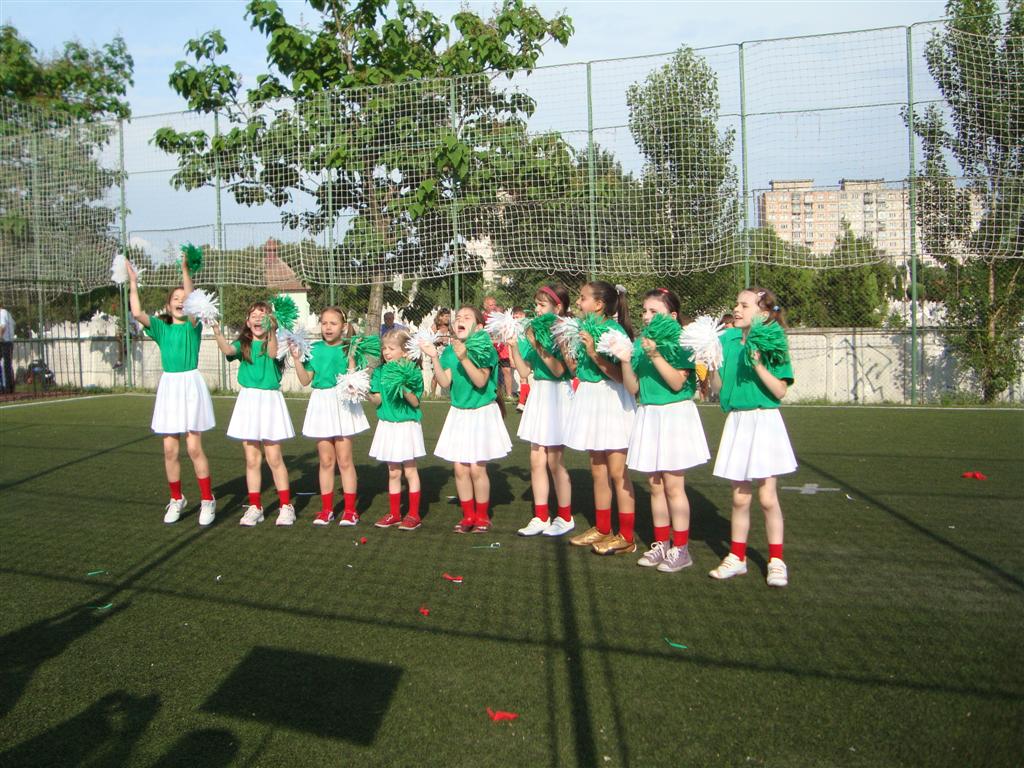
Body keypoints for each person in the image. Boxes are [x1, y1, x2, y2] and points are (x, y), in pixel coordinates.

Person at [708, 287, 797, 588]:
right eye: (736, 304)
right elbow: (718, 388)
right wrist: (710, 366)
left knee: (767, 498)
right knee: (739, 497)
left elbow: (780, 390)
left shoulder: (773, 340)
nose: (737, 309)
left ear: (762, 312)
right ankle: (737, 557)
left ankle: (776, 561)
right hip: (738, 421)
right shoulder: (727, 340)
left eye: (744, 305)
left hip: (764, 420)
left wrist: (757, 364)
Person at [620, 288, 710, 572]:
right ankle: (661, 544)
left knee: (673, 484)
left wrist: (655, 354)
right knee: (655, 484)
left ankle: (681, 549)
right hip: (649, 413)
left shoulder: (682, 341)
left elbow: (676, 383)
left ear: (672, 315)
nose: (646, 316)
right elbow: (633, 388)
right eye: (644, 311)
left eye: (654, 311)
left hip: (674, 415)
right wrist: (625, 359)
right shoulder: (640, 343)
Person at [126, 260, 216, 525]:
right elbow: (137, 312)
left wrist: (185, 271)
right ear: (168, 306)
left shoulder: (192, 325)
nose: (180, 301)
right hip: (169, 388)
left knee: (194, 447)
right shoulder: (161, 328)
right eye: (175, 299)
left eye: (183, 298)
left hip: (191, 386)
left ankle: (207, 500)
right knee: (169, 450)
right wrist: (133, 282)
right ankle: (177, 499)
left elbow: (191, 301)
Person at [562, 281, 638, 555]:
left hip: (611, 400)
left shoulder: (614, 332)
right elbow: (577, 371)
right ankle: (603, 528)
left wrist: (594, 352)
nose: (577, 302)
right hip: (590, 397)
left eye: (582, 298)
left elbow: (620, 377)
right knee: (598, 470)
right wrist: (567, 350)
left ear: (599, 304)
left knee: (618, 472)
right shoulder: (582, 329)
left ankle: (626, 536)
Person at [421, 305, 511, 533]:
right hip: (459, 413)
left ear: (479, 327)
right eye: (458, 317)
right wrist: (435, 358)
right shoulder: (450, 351)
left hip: (482, 412)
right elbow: (444, 382)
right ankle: (468, 515)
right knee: (460, 469)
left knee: (477, 468)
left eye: (467, 317)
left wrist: (464, 358)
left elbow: (480, 381)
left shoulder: (484, 349)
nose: (460, 320)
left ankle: (482, 516)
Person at [212, 302, 296, 527]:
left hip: (270, 401)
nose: (258, 318)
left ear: (271, 320)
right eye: (254, 315)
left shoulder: (276, 342)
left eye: (263, 315)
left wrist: (273, 331)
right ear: (247, 322)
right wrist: (217, 332)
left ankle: (286, 506)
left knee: (274, 457)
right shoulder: (243, 344)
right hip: (248, 401)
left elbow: (272, 353)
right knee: (251, 459)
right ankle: (255, 507)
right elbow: (228, 351)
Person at [508, 285, 574, 537]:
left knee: (555, 461)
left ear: (558, 308)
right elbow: (525, 371)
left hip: (558, 394)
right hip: (539, 394)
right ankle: (541, 516)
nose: (536, 309)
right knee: (536, 460)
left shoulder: (564, 332)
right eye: (536, 304)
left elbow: (559, 370)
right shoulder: (533, 331)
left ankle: (565, 517)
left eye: (542, 305)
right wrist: (514, 346)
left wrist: (537, 344)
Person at [293, 307, 368, 526]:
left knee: (344, 459)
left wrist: (352, 360)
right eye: (324, 323)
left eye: (333, 323)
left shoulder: (349, 348)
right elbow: (305, 380)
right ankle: (327, 510)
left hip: (342, 401)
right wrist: (297, 359)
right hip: (321, 403)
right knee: (326, 461)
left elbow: (355, 380)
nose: (327, 327)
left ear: (343, 327)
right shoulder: (314, 349)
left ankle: (350, 511)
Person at [368, 329, 425, 531]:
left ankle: (414, 514)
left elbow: (415, 402)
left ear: (405, 351)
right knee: (393, 472)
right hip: (387, 426)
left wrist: (402, 386)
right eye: (384, 348)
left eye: (391, 348)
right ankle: (394, 513)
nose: (386, 352)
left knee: (410, 470)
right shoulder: (380, 372)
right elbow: (377, 400)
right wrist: (362, 391)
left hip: (406, 425)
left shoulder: (413, 371)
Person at [482, 295, 515, 400]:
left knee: (507, 370)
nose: (493, 307)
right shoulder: (482, 318)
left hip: (502, 348)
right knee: (489, 371)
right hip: (490, 348)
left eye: (494, 305)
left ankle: (509, 394)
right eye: (491, 305)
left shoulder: (500, 317)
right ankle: (490, 393)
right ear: (485, 306)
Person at [428, 308, 452, 397]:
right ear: (440, 317)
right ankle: (432, 395)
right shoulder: (435, 327)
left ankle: (452, 394)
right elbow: (428, 340)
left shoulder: (450, 327)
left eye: (449, 316)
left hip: (448, 353)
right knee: (436, 375)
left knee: (451, 373)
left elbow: (455, 337)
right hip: (437, 354)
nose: (448, 318)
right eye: (446, 316)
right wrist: (437, 341)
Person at [511, 306, 529, 410]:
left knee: (524, 378)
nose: (515, 319)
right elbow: (511, 344)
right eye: (514, 317)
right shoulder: (514, 328)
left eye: (517, 317)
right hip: (519, 355)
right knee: (523, 379)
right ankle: (526, 401)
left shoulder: (527, 326)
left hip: (527, 354)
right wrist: (511, 357)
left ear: (523, 315)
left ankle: (522, 403)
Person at [0, 300, 14, 393]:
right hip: (8, 342)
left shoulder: (2, 313)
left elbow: (3, 326)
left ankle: (6, 387)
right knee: (7, 365)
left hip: (4, 342)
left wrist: (0, 336)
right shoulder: (7, 313)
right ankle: (8, 386)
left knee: (6, 365)